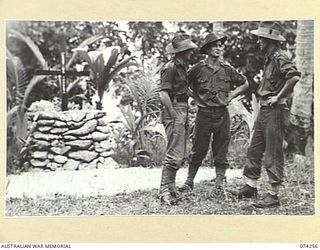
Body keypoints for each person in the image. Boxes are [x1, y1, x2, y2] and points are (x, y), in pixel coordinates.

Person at [235, 21, 301, 208]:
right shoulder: (270, 58)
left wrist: (279, 96)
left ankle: (273, 195)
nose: (258, 43)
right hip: (265, 110)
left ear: (269, 41)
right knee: (254, 148)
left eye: (261, 40)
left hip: (276, 111)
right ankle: (250, 186)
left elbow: (294, 76)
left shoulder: (280, 57)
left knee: (272, 152)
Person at [179, 33, 249, 197]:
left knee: (221, 150)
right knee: (198, 150)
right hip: (203, 115)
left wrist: (231, 96)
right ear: (208, 49)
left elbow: (244, 83)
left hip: (222, 115)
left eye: (221, 45)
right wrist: (194, 97)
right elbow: (182, 83)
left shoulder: (227, 69)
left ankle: (219, 186)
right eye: (216, 45)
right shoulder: (198, 69)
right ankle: (189, 182)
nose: (219, 48)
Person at [158, 32, 198, 205]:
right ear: (182, 52)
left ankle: (171, 187)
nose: (191, 53)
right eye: (189, 50)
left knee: (180, 153)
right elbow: (163, 94)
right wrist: (173, 115)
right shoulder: (170, 67)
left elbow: (182, 89)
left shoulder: (182, 68)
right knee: (174, 153)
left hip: (182, 108)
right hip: (174, 109)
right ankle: (164, 190)